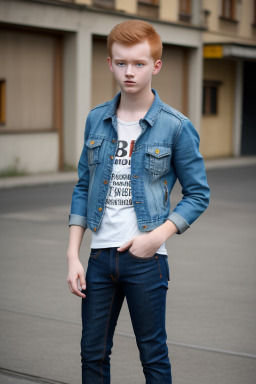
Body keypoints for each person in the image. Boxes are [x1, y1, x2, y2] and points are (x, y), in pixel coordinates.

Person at [66, 19, 210, 384]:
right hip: (99, 259)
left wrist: (155, 238)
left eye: (139, 63)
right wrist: (73, 256)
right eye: (121, 63)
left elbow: (198, 194)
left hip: (146, 261)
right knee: (92, 355)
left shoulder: (176, 126)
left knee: (153, 356)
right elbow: (83, 187)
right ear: (110, 63)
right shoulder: (96, 119)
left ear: (156, 66)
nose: (129, 72)